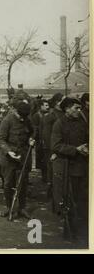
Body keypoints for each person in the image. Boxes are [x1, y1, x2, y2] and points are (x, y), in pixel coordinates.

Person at [51, 97, 88, 241]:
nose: (79, 111)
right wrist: (75, 149)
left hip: (82, 166)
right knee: (70, 201)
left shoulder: (82, 122)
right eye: (76, 108)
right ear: (67, 109)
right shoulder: (59, 124)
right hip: (68, 167)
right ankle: (70, 233)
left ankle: (82, 231)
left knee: (82, 200)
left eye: (79, 108)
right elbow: (56, 145)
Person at [0, 100, 35, 219]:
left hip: (23, 156)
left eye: (25, 117)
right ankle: (9, 207)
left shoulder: (27, 120)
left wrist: (31, 139)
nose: (23, 119)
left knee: (23, 183)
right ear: (16, 112)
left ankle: (22, 208)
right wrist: (9, 152)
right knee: (8, 183)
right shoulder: (7, 120)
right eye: (21, 116)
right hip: (8, 157)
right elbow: (0, 140)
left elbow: (33, 131)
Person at [41, 93, 64, 198]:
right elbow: (46, 135)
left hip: (62, 148)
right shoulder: (50, 116)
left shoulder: (63, 114)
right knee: (52, 171)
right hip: (52, 149)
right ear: (57, 102)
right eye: (62, 100)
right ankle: (52, 194)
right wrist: (53, 151)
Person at [31, 99, 50, 182]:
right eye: (46, 105)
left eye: (48, 105)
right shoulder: (37, 115)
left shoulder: (48, 115)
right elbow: (35, 128)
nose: (47, 107)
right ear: (41, 106)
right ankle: (44, 177)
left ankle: (46, 176)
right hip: (40, 141)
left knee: (46, 159)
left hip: (46, 140)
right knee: (43, 159)